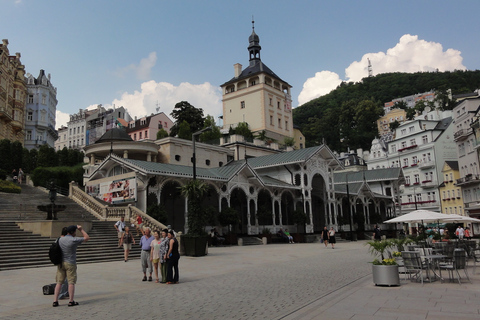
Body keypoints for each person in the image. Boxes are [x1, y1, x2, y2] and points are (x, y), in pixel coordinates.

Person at [52, 225, 89, 307]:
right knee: (71, 282)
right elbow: (86, 237)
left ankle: (55, 301)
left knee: (59, 282)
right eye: (75, 231)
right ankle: (71, 301)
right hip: (70, 263)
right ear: (73, 232)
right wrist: (81, 229)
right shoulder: (73, 240)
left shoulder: (60, 239)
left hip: (61, 263)